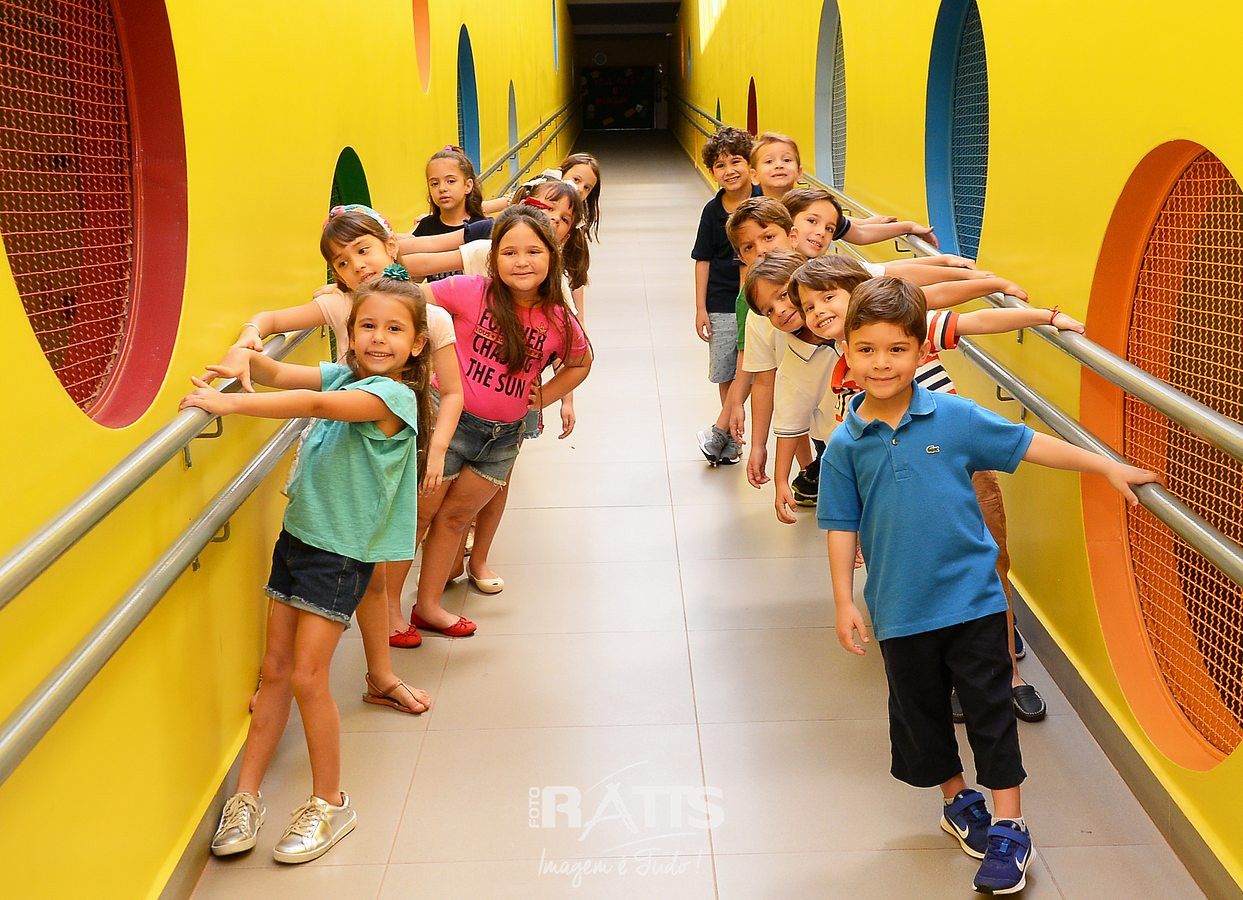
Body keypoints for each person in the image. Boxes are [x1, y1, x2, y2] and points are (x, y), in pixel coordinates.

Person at [819, 276, 1157, 894]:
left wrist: (1105, 465)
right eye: (866, 349)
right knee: (921, 714)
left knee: (990, 710)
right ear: (846, 351)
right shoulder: (846, 442)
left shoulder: (953, 417)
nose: (881, 363)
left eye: (896, 349)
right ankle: (958, 802)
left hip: (973, 600)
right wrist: (845, 600)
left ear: (923, 350)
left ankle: (1009, 826)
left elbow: (1029, 445)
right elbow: (841, 524)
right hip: (899, 607)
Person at [192, 278, 437, 863]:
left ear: (417, 344)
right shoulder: (346, 375)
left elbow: (317, 406)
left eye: (394, 329)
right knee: (274, 671)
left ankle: (331, 802)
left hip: (340, 555)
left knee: (307, 676)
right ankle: (246, 796)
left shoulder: (394, 398)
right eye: (367, 326)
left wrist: (233, 404)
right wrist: (244, 352)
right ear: (351, 333)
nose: (378, 338)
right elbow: (278, 373)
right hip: (299, 538)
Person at [786, 254, 1078, 722]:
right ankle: (959, 674)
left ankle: (1009, 674)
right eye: (808, 306)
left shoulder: (905, 330)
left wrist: (1046, 316)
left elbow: (975, 321)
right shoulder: (845, 369)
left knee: (989, 565)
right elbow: (852, 453)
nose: (819, 310)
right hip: (902, 494)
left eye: (828, 297)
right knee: (924, 574)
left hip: (958, 469)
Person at [225, 205, 464, 662]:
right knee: (365, 557)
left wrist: (437, 451)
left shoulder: (429, 317)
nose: (358, 265)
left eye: (363, 250)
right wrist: (247, 338)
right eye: (343, 261)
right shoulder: (339, 305)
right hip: (342, 439)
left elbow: (452, 392)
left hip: (391, 436)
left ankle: (382, 657)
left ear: (390, 247)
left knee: (373, 551)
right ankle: (375, 668)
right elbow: (271, 324)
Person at [411, 204, 593, 636]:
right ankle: (386, 613)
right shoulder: (469, 291)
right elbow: (407, 303)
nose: (522, 262)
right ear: (493, 258)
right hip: (448, 425)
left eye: (533, 251)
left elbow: (581, 362)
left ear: (552, 256)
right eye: (509, 252)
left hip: (502, 439)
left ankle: (428, 606)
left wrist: (544, 397)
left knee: (455, 519)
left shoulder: (558, 318)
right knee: (420, 516)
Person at [691, 126, 760, 464]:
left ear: (751, 166)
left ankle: (728, 431)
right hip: (721, 302)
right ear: (711, 172)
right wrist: (700, 308)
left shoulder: (764, 202)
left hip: (761, 302)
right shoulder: (712, 211)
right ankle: (731, 434)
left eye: (736, 161)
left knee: (752, 368)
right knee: (726, 370)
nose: (729, 170)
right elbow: (702, 259)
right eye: (720, 165)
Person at [558, 151, 603, 242]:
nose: (580, 189)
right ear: (560, 173)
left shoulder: (578, 225)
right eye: (576, 180)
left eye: (587, 188)